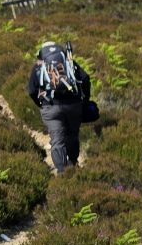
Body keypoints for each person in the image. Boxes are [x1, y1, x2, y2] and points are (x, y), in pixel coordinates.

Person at [26, 41, 93, 173]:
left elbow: (32, 91)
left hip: (51, 108)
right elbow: (85, 79)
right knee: (73, 135)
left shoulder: (39, 66)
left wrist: (41, 104)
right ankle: (73, 164)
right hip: (73, 106)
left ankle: (63, 173)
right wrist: (84, 100)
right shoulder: (69, 63)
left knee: (57, 141)